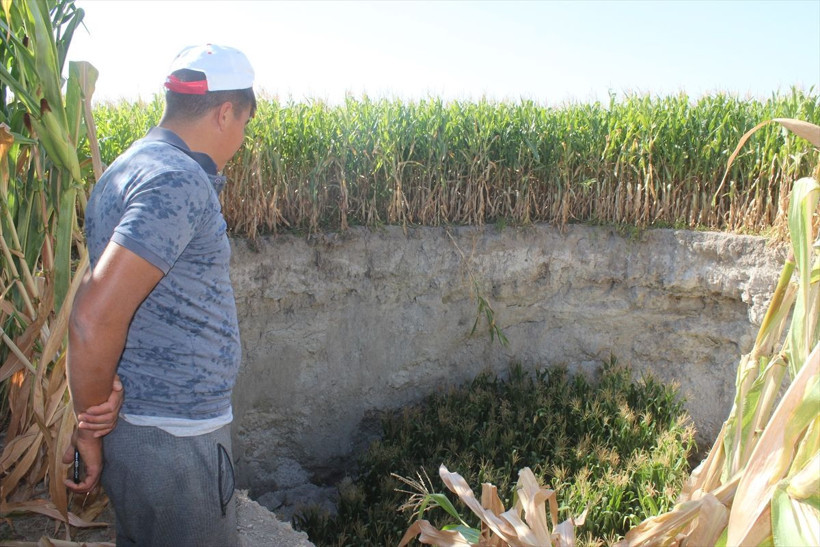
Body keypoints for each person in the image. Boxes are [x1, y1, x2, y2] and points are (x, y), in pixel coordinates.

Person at [64, 44, 256, 546]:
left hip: (146, 432)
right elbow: (91, 318)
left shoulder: (128, 168)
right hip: (175, 441)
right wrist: (88, 428)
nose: (241, 139)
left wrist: (96, 422)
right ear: (225, 113)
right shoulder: (177, 180)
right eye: (244, 123)